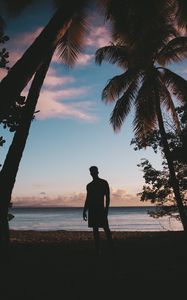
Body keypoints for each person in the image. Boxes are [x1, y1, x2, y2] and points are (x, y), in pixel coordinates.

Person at [83, 166, 113, 254]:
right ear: (90, 173)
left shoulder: (103, 183)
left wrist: (106, 210)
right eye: (91, 172)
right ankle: (97, 249)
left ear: (97, 172)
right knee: (95, 230)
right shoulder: (89, 185)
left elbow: (107, 198)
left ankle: (111, 246)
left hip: (100, 209)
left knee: (106, 228)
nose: (93, 173)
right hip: (92, 209)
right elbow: (88, 199)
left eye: (94, 171)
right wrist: (84, 210)